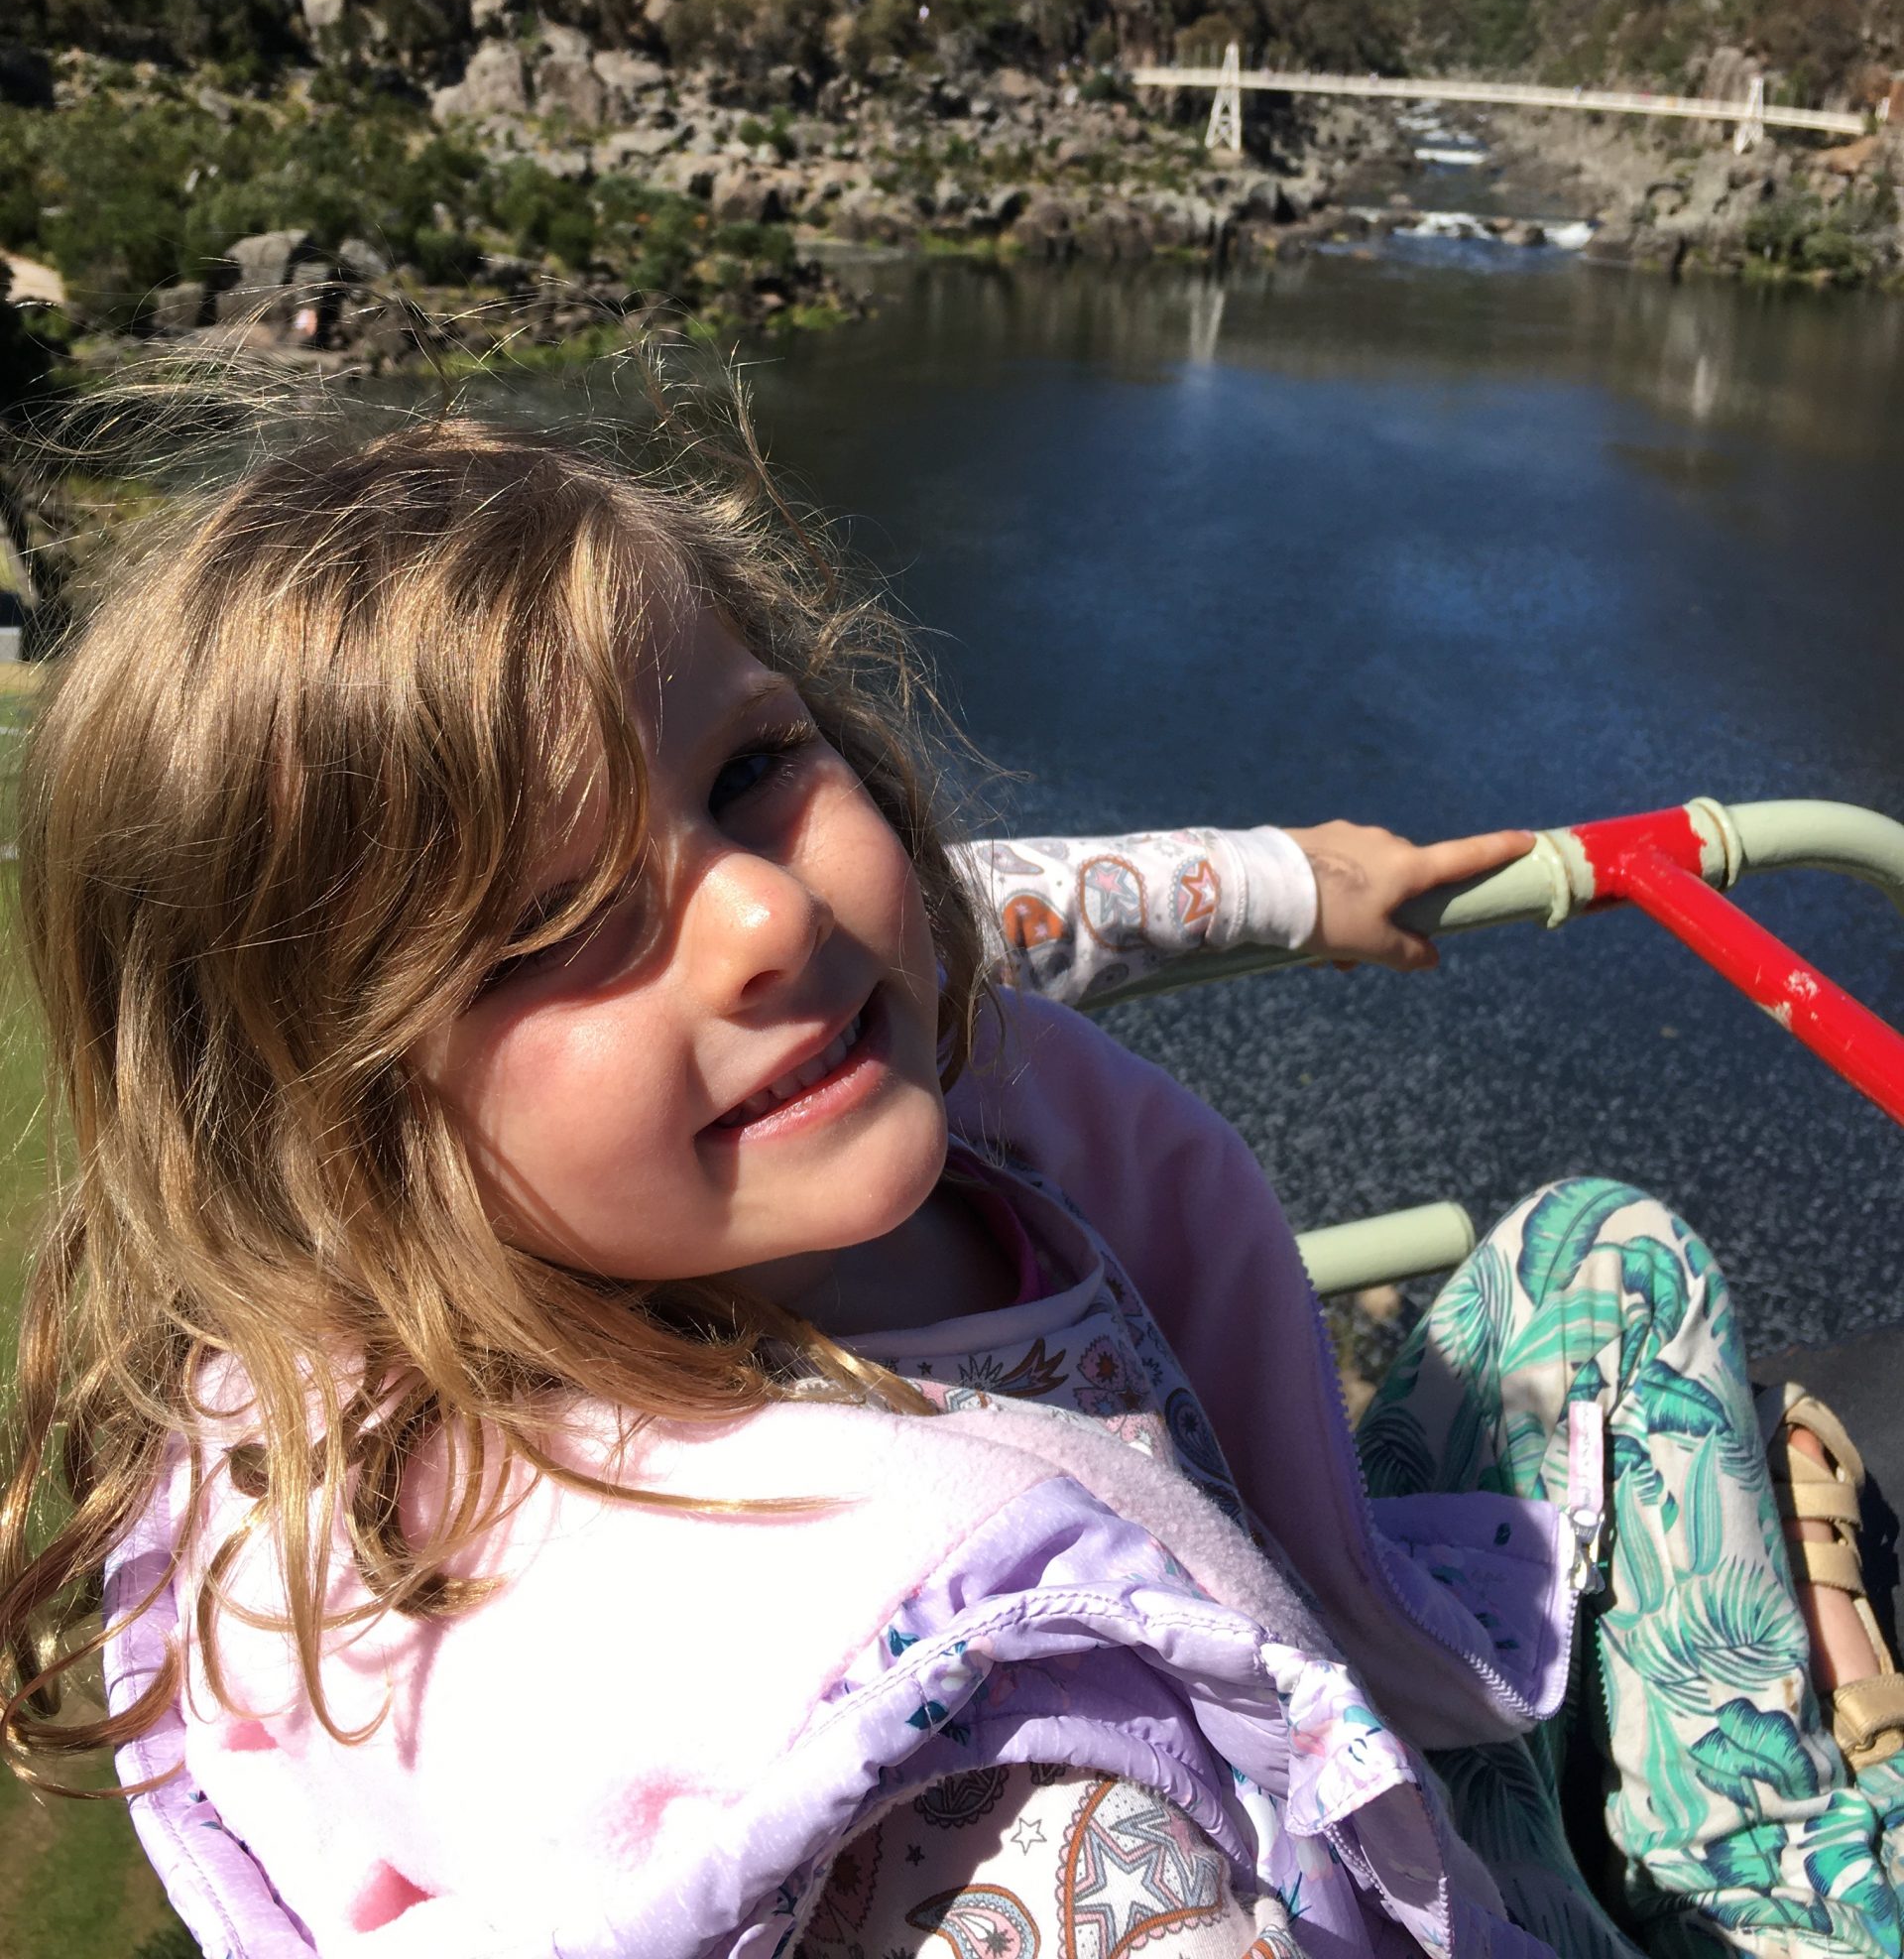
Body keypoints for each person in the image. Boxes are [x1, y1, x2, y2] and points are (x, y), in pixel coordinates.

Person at [2, 414, 1900, 1959]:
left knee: (1600, 1246)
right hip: (1320, 1851)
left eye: (750, 767)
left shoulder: (825, 1034)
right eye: (554, 928)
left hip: (1326, 1674)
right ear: (332, 1141)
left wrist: (1299, 885)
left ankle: (1730, 1854)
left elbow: (1016, 904)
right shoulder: (941, 1770)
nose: (759, 912)